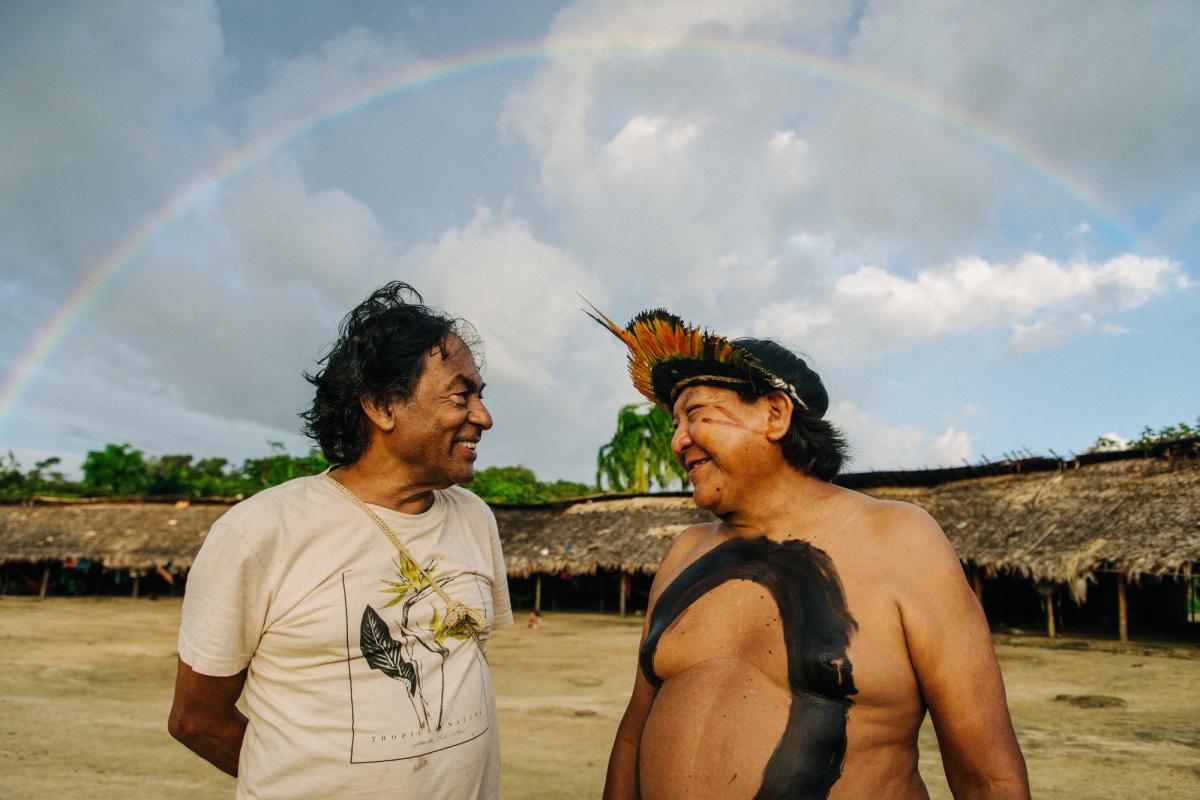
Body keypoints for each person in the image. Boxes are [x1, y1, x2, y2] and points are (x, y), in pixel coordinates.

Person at [589, 306, 1029, 799]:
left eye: (694, 414)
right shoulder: (684, 552)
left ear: (775, 414)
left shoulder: (900, 539)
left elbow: (987, 776)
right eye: (674, 422)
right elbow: (633, 732)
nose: (678, 441)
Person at [169, 282, 512, 799]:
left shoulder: (474, 518)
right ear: (381, 406)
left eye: (481, 396)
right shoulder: (261, 532)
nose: (483, 417)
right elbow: (195, 719)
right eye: (461, 395)